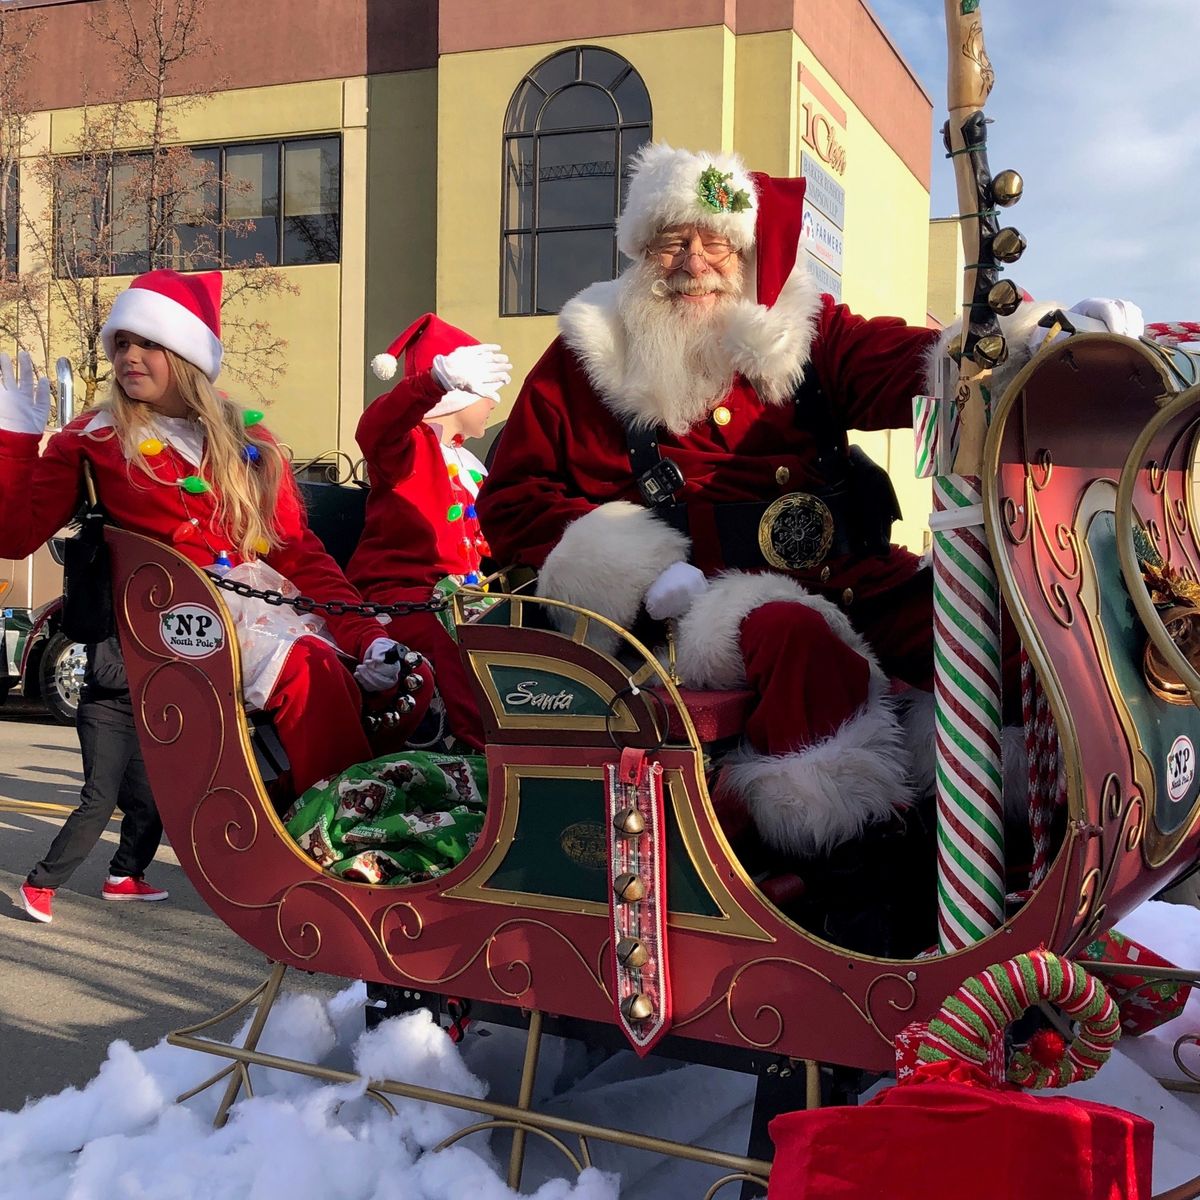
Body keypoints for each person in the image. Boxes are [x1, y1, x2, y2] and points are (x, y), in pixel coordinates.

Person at [477, 143, 1143, 862]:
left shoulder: (802, 331)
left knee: (1000, 629)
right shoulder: (589, 353)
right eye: (672, 242)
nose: (694, 263)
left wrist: (1036, 347)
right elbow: (514, 497)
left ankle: (1021, 827)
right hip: (696, 606)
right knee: (797, 638)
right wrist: (633, 573)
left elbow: (909, 362)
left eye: (717, 244)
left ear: (748, 254)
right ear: (642, 253)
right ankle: (847, 859)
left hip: (855, 576)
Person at [0, 270, 422, 814]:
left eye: (148, 342)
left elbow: (296, 552)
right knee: (308, 671)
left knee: (386, 673)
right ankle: (340, 821)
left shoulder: (250, 442)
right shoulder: (97, 436)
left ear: (187, 355)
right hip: (175, 617)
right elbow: (16, 535)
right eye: (122, 342)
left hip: (263, 611)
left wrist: (365, 634)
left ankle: (362, 810)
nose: (129, 354)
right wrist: (14, 443)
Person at [347, 315, 511, 748]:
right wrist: (432, 382)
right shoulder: (408, 448)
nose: (495, 403)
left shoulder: (472, 466)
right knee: (460, 631)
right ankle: (485, 752)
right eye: (487, 392)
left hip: (462, 597)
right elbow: (376, 430)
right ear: (457, 396)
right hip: (402, 597)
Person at [19, 635, 167, 923]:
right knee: (99, 801)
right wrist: (163, 668)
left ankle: (123, 876)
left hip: (138, 716)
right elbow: (105, 674)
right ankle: (39, 883)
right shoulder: (113, 618)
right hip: (105, 715)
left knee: (148, 802)